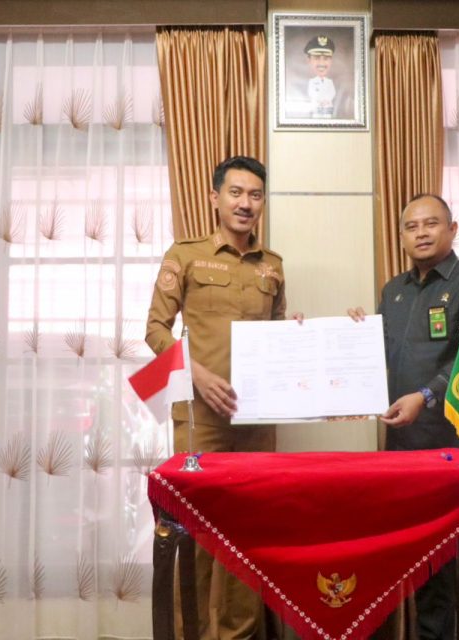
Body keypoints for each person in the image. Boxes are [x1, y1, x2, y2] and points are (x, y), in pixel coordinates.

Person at [146, 155, 300, 640]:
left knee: (247, 536)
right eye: (236, 193)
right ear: (215, 198)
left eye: (255, 195)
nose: (245, 203)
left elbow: (276, 335)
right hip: (200, 420)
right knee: (195, 533)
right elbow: (155, 330)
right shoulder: (185, 255)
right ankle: (191, 633)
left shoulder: (273, 266)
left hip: (256, 421)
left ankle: (239, 634)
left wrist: (299, 335)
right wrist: (197, 374)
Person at [348, 193, 459, 639]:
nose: (421, 232)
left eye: (431, 223)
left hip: (457, 443)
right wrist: (351, 336)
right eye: (411, 226)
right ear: (401, 236)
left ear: (452, 229)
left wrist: (424, 396)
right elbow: (379, 357)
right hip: (404, 448)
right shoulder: (393, 292)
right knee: (421, 560)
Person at [304, 35, 336, 118]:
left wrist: (326, 100)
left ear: (331, 60)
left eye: (326, 58)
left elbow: (332, 93)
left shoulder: (332, 83)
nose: (321, 63)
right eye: (316, 58)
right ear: (309, 60)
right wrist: (319, 101)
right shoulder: (303, 85)